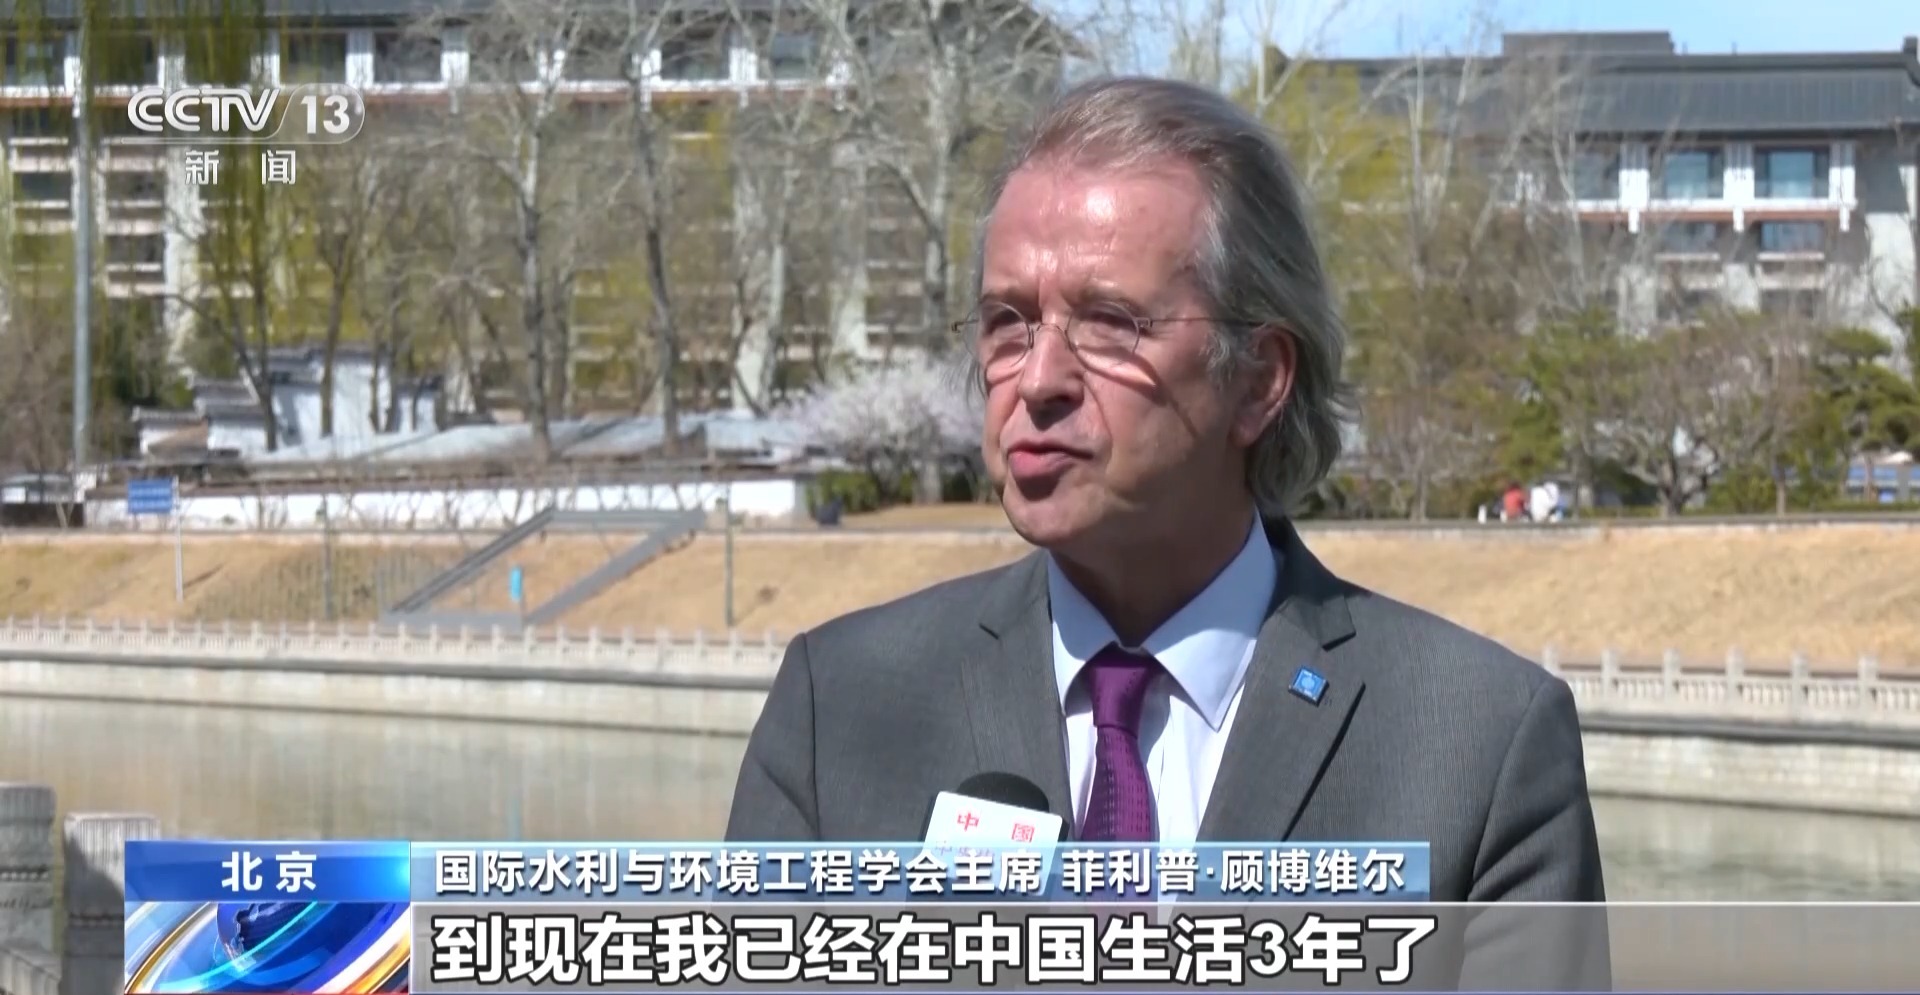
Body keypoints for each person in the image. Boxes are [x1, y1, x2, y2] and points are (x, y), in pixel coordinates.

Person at [727, 77, 1607, 987]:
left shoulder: (1479, 744)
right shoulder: (842, 706)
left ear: (1258, 379)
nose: (1038, 379)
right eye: (1007, 324)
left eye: (1110, 323)